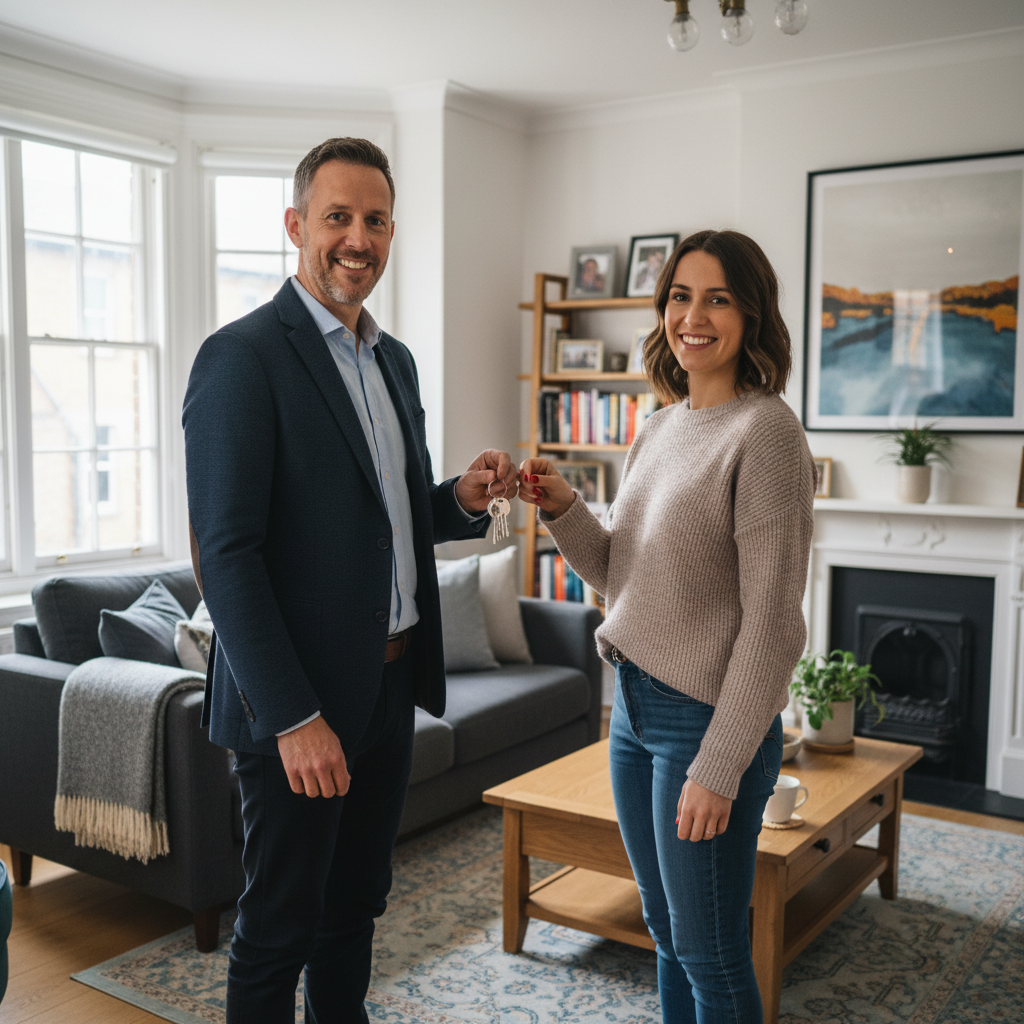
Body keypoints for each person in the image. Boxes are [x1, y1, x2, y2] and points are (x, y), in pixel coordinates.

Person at [182, 137, 516, 1024]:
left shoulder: (393, 361)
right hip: (297, 707)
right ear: (297, 225)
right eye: (337, 217)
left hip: (388, 685)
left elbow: (387, 515)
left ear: (393, 232)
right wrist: (293, 718)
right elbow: (226, 557)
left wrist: (461, 500)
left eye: (373, 220)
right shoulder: (242, 358)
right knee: (278, 927)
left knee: (356, 906)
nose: (356, 238)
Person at [518, 229, 815, 1023]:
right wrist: (562, 509)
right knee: (667, 932)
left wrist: (718, 765)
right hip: (634, 712)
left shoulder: (768, 435)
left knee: (713, 953)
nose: (695, 315)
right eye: (681, 295)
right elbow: (626, 574)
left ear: (752, 315)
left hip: (705, 725)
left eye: (719, 298)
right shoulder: (657, 426)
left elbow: (775, 627)